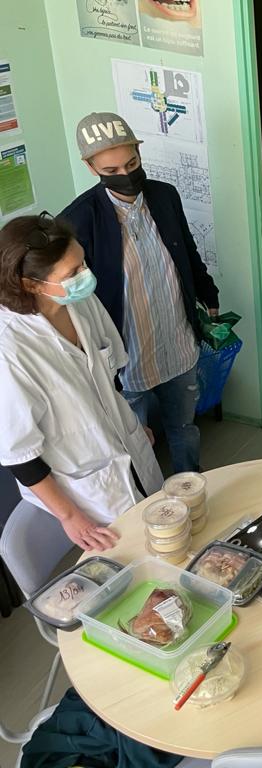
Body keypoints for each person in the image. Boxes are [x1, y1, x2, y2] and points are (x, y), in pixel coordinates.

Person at [61, 112, 219, 473]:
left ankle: (190, 486)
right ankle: (146, 500)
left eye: (132, 163)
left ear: (139, 152)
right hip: (127, 354)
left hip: (176, 340)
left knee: (184, 428)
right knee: (133, 443)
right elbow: (75, 300)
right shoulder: (78, 220)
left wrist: (209, 296)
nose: (126, 175)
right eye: (112, 170)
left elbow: (187, 252)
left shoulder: (163, 196)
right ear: (90, 167)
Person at [0, 214, 164, 551]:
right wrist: (69, 516)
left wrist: (130, 423)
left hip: (129, 446)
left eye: (82, 263)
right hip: (87, 484)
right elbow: (20, 455)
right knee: (132, 554)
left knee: (164, 533)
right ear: (31, 284)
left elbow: (108, 372)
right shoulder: (10, 349)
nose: (85, 275)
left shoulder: (78, 300)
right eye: (72, 272)